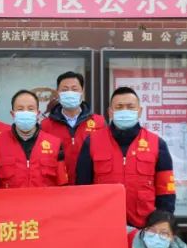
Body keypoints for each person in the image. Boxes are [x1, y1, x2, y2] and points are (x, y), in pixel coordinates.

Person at [75, 86, 176, 226]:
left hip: (144, 226)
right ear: (110, 112)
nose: (125, 111)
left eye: (130, 107)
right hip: (103, 224)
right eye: (119, 107)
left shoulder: (157, 143)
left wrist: (163, 223)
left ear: (139, 111)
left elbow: (166, 190)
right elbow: (82, 188)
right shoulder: (92, 142)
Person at [0, 90, 68, 189]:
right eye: (20, 109)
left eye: (30, 109)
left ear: (37, 113)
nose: (25, 112)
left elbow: (62, 185)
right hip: (9, 199)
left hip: (44, 199)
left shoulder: (54, 144)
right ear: (12, 114)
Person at [39, 71, 106, 184]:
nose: (70, 93)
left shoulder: (99, 122)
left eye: (74, 89)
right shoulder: (45, 125)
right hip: (57, 187)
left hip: (90, 187)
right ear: (57, 93)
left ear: (82, 92)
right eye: (64, 90)